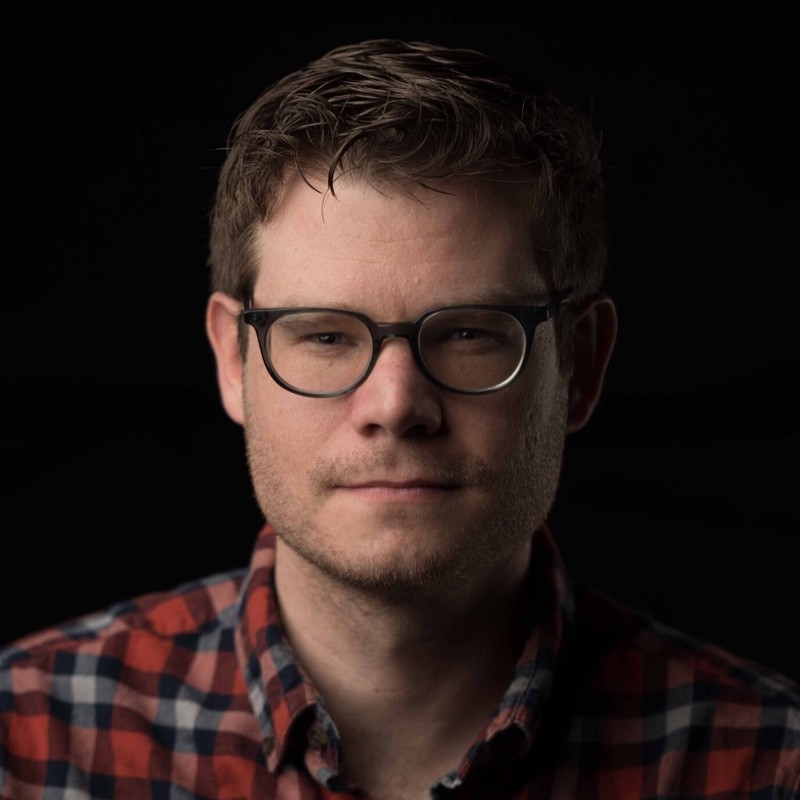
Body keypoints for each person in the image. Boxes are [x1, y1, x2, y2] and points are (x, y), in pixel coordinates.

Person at [1, 38, 797, 800]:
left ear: (580, 366)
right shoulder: (24, 742)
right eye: (323, 335)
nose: (395, 407)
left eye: (469, 333)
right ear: (232, 361)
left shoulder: (770, 762)